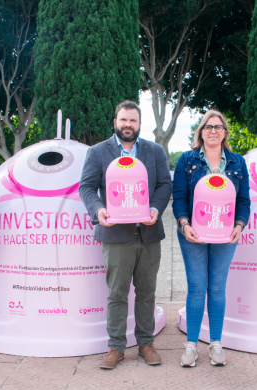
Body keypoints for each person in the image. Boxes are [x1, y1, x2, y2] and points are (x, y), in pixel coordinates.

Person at [79, 100, 172, 370]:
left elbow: (165, 184)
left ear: (139, 124)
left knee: (147, 292)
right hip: (116, 234)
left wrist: (155, 208)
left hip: (149, 233)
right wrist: (98, 210)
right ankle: (116, 347)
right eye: (123, 120)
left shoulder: (154, 151)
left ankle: (146, 343)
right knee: (117, 293)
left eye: (132, 120)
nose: (128, 125)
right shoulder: (98, 152)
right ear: (115, 122)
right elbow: (86, 187)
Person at [172, 110, 250, 367]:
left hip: (225, 235)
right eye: (208, 126)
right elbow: (180, 197)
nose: (213, 130)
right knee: (196, 288)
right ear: (200, 132)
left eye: (218, 126)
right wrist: (184, 224)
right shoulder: (187, 160)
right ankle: (191, 346)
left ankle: (216, 343)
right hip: (192, 234)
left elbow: (243, 200)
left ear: (225, 132)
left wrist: (239, 225)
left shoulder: (238, 162)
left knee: (217, 288)